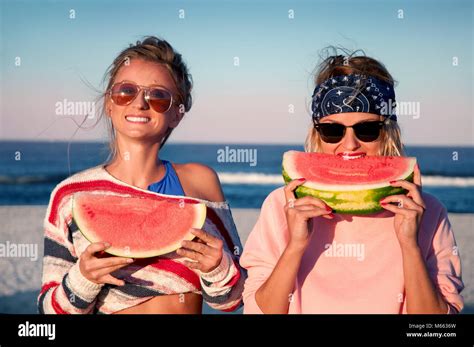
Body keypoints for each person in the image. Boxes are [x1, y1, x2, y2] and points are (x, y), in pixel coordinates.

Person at [240, 53, 464, 314]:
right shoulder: (283, 205)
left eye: (367, 130)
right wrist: (295, 245)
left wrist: (409, 245)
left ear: (388, 131)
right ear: (316, 133)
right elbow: (257, 311)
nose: (349, 145)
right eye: (332, 130)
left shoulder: (427, 212)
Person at [38, 36, 245, 314]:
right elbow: (48, 312)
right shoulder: (71, 196)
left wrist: (218, 268)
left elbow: (234, 299)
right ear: (109, 105)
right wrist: (83, 279)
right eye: (126, 91)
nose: (140, 103)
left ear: (177, 114)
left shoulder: (200, 182)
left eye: (158, 96)